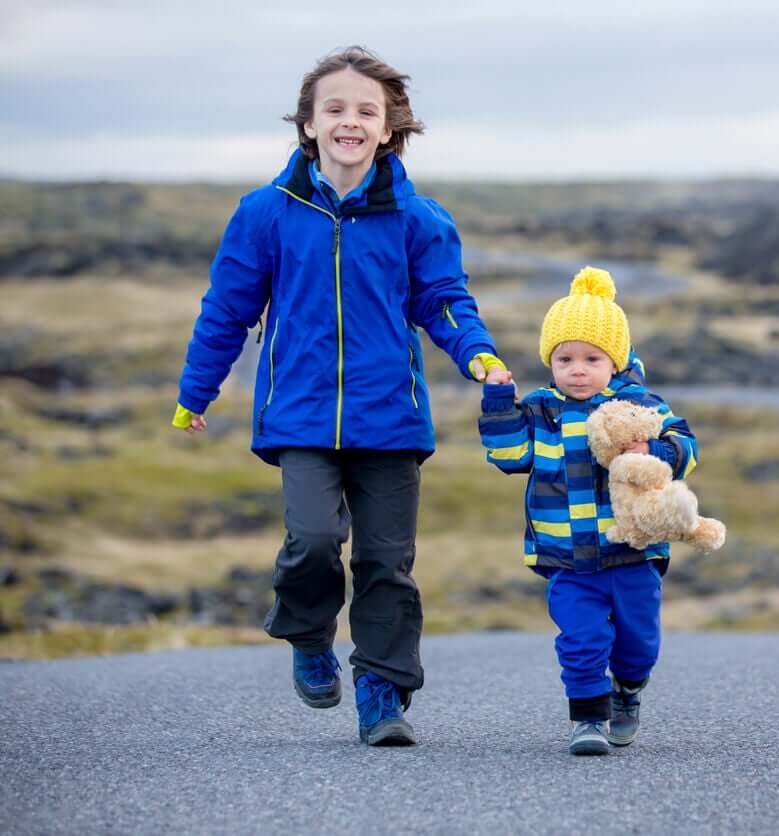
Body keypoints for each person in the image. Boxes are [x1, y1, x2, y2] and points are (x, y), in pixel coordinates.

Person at [172, 46, 511, 746]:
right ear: (308, 125)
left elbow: (444, 301)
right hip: (298, 417)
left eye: (366, 111)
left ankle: (382, 694)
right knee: (313, 540)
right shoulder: (266, 213)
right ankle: (307, 633)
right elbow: (227, 310)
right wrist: (195, 391)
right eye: (335, 109)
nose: (349, 121)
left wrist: (476, 353)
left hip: (392, 418)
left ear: (390, 129)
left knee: (387, 562)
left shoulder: (420, 219)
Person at [478, 267, 698, 755]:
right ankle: (588, 720)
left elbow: (687, 445)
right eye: (565, 358)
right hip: (568, 559)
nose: (577, 369)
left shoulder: (641, 405)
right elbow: (509, 456)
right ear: (550, 361)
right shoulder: (539, 410)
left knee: (638, 647)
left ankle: (628, 689)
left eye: (591, 358)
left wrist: (652, 453)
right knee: (581, 642)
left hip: (633, 554)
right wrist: (498, 401)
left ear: (614, 361)